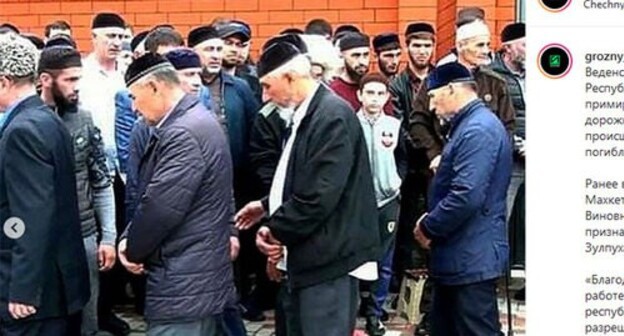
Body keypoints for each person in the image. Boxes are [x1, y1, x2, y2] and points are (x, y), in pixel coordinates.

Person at [235, 41, 379, 336]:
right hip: (309, 258)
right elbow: (300, 176)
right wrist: (266, 206)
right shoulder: (306, 114)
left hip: (329, 262)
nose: (264, 95)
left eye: (267, 85)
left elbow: (318, 196)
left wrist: (275, 229)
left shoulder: (331, 116)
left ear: (290, 78)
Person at [118, 53, 237, 335]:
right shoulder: (196, 120)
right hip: (195, 273)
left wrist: (132, 248)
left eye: (135, 97)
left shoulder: (183, 133)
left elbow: (160, 207)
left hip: (183, 280)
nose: (134, 107)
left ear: (155, 87)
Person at [0, 32, 90, 336]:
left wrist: (24, 288)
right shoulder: (46, 119)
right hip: (54, 286)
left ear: (3, 81)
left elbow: (31, 215)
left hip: (33, 295)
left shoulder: (21, 131)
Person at [413, 62, 512, 336]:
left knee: (474, 329)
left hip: (470, 256)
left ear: (452, 89)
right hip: (463, 254)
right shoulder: (471, 125)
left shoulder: (477, 130)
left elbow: (466, 195)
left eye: (433, 96)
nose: (431, 106)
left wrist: (429, 226)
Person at [38, 46, 117, 336]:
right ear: (46, 80)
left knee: (87, 323)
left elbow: (100, 181)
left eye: (78, 79)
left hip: (84, 236)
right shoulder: (24, 123)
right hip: (42, 241)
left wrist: (107, 236)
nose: (77, 87)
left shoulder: (83, 118)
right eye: (69, 80)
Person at [79, 12, 131, 335]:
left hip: (125, 171)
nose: (116, 42)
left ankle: (109, 307)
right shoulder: (82, 76)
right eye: (109, 36)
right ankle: (94, 312)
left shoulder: (127, 73)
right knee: (98, 241)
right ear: (93, 37)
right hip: (93, 172)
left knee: (119, 237)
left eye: (120, 36)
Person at [409, 19, 515, 176]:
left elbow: (507, 126)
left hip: (486, 168)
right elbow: (418, 122)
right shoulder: (437, 79)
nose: (486, 50)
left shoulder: (496, 83)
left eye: (487, 44)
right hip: (443, 169)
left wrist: (495, 158)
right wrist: (436, 154)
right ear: (460, 46)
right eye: (479, 45)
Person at [356, 73, 407, 336]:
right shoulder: (349, 124)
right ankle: (351, 310)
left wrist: (396, 180)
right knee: (354, 259)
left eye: (380, 94)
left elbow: (403, 157)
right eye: (370, 93)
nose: (374, 99)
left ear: (387, 97)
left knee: (384, 262)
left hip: (387, 201)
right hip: (357, 203)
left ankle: (375, 315)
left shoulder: (394, 125)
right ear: (360, 95)